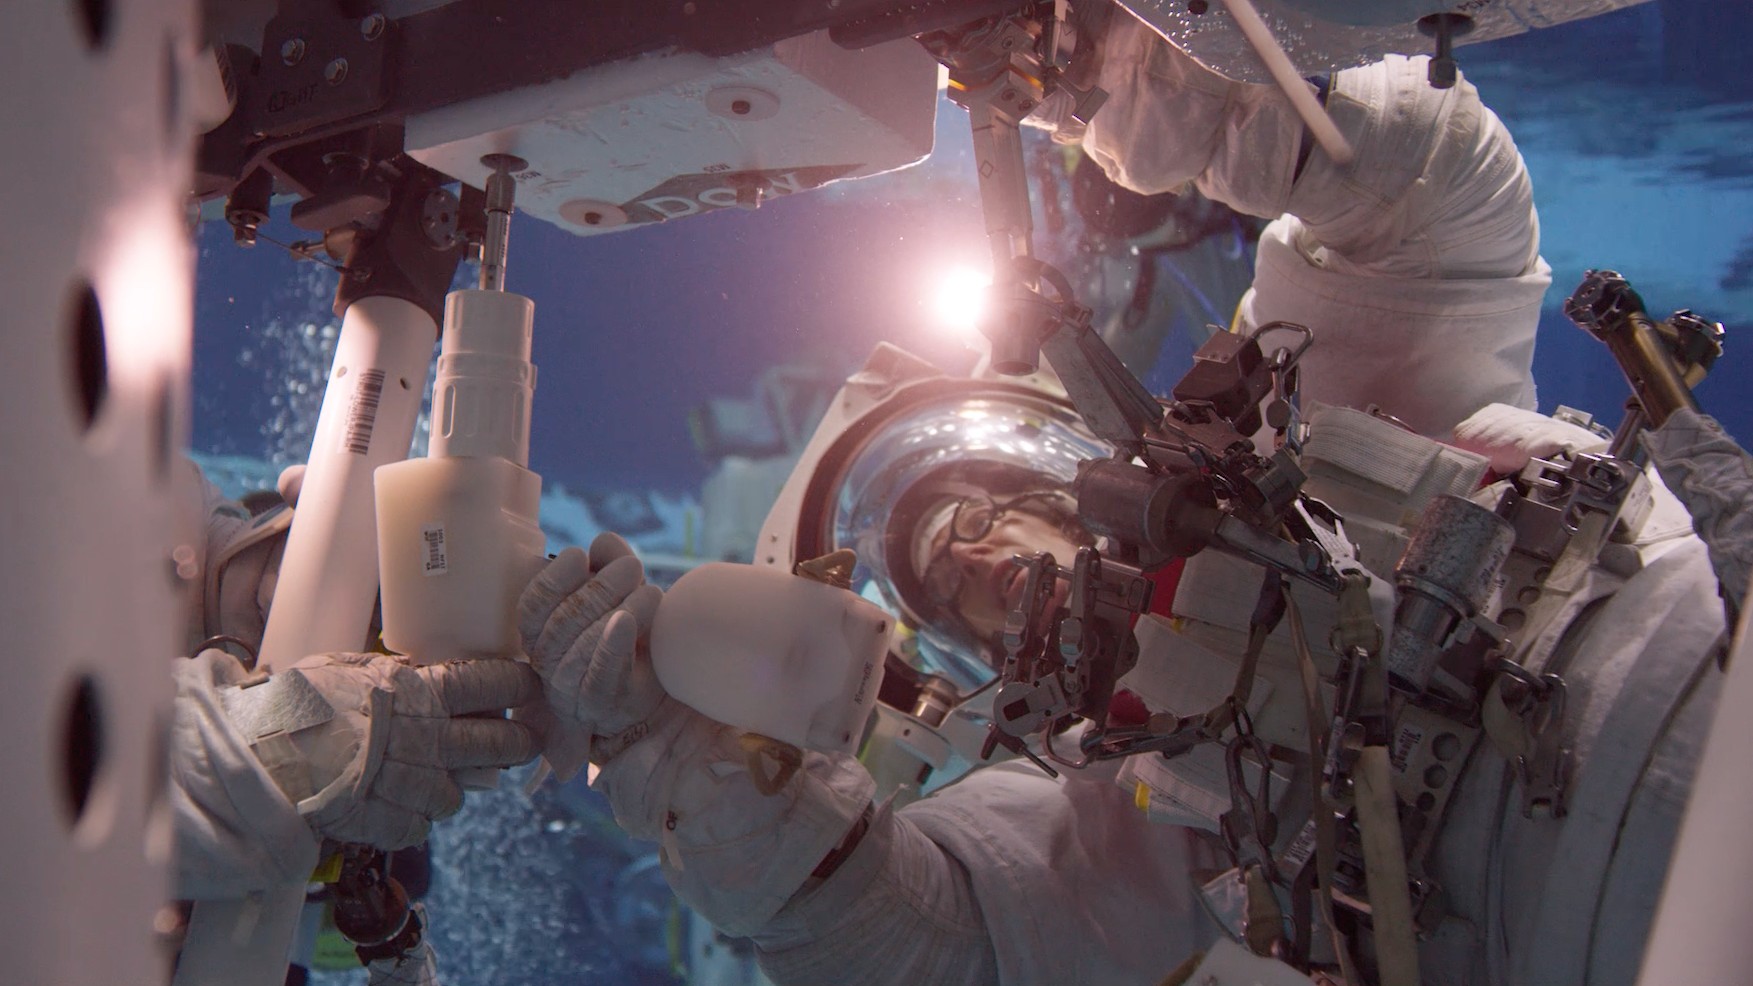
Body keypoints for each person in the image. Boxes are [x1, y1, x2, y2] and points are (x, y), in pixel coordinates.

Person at [517, 8, 1725, 986]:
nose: (977, 563)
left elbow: (1430, 190)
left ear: (1061, 470)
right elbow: (923, 944)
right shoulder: (1126, 806)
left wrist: (1120, 69)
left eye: (977, 516)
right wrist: (676, 756)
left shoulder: (1332, 425)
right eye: (947, 589)